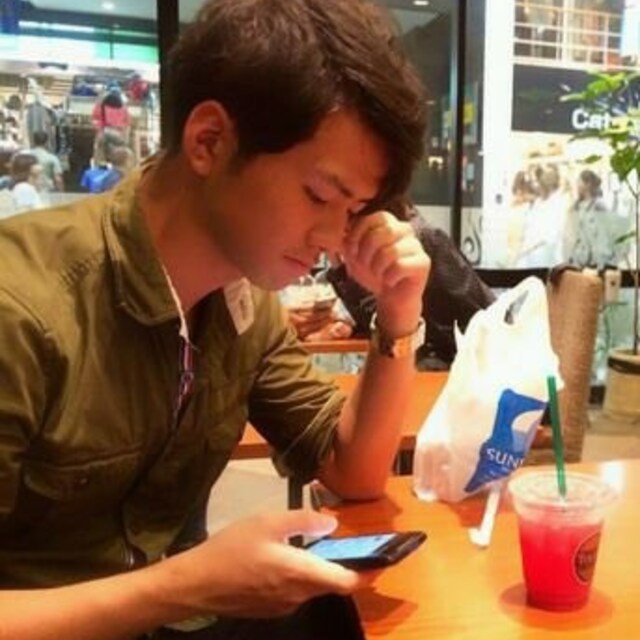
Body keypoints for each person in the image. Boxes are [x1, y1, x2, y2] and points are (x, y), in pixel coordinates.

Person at [0, 1, 428, 638]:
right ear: (209, 141)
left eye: (352, 210)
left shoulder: (242, 304)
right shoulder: (21, 311)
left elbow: (353, 471)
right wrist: (185, 586)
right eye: (318, 195)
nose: (332, 238)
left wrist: (397, 313)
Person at [290, 203, 495, 369]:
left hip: (457, 364)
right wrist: (339, 266)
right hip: (418, 361)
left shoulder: (416, 242)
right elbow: (376, 319)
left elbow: (486, 316)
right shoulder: (364, 248)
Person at [564, 169, 626, 269]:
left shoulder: (599, 206)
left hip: (596, 260)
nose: (577, 185)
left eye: (579, 181)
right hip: (579, 258)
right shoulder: (575, 207)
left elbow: (604, 234)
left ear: (587, 184)